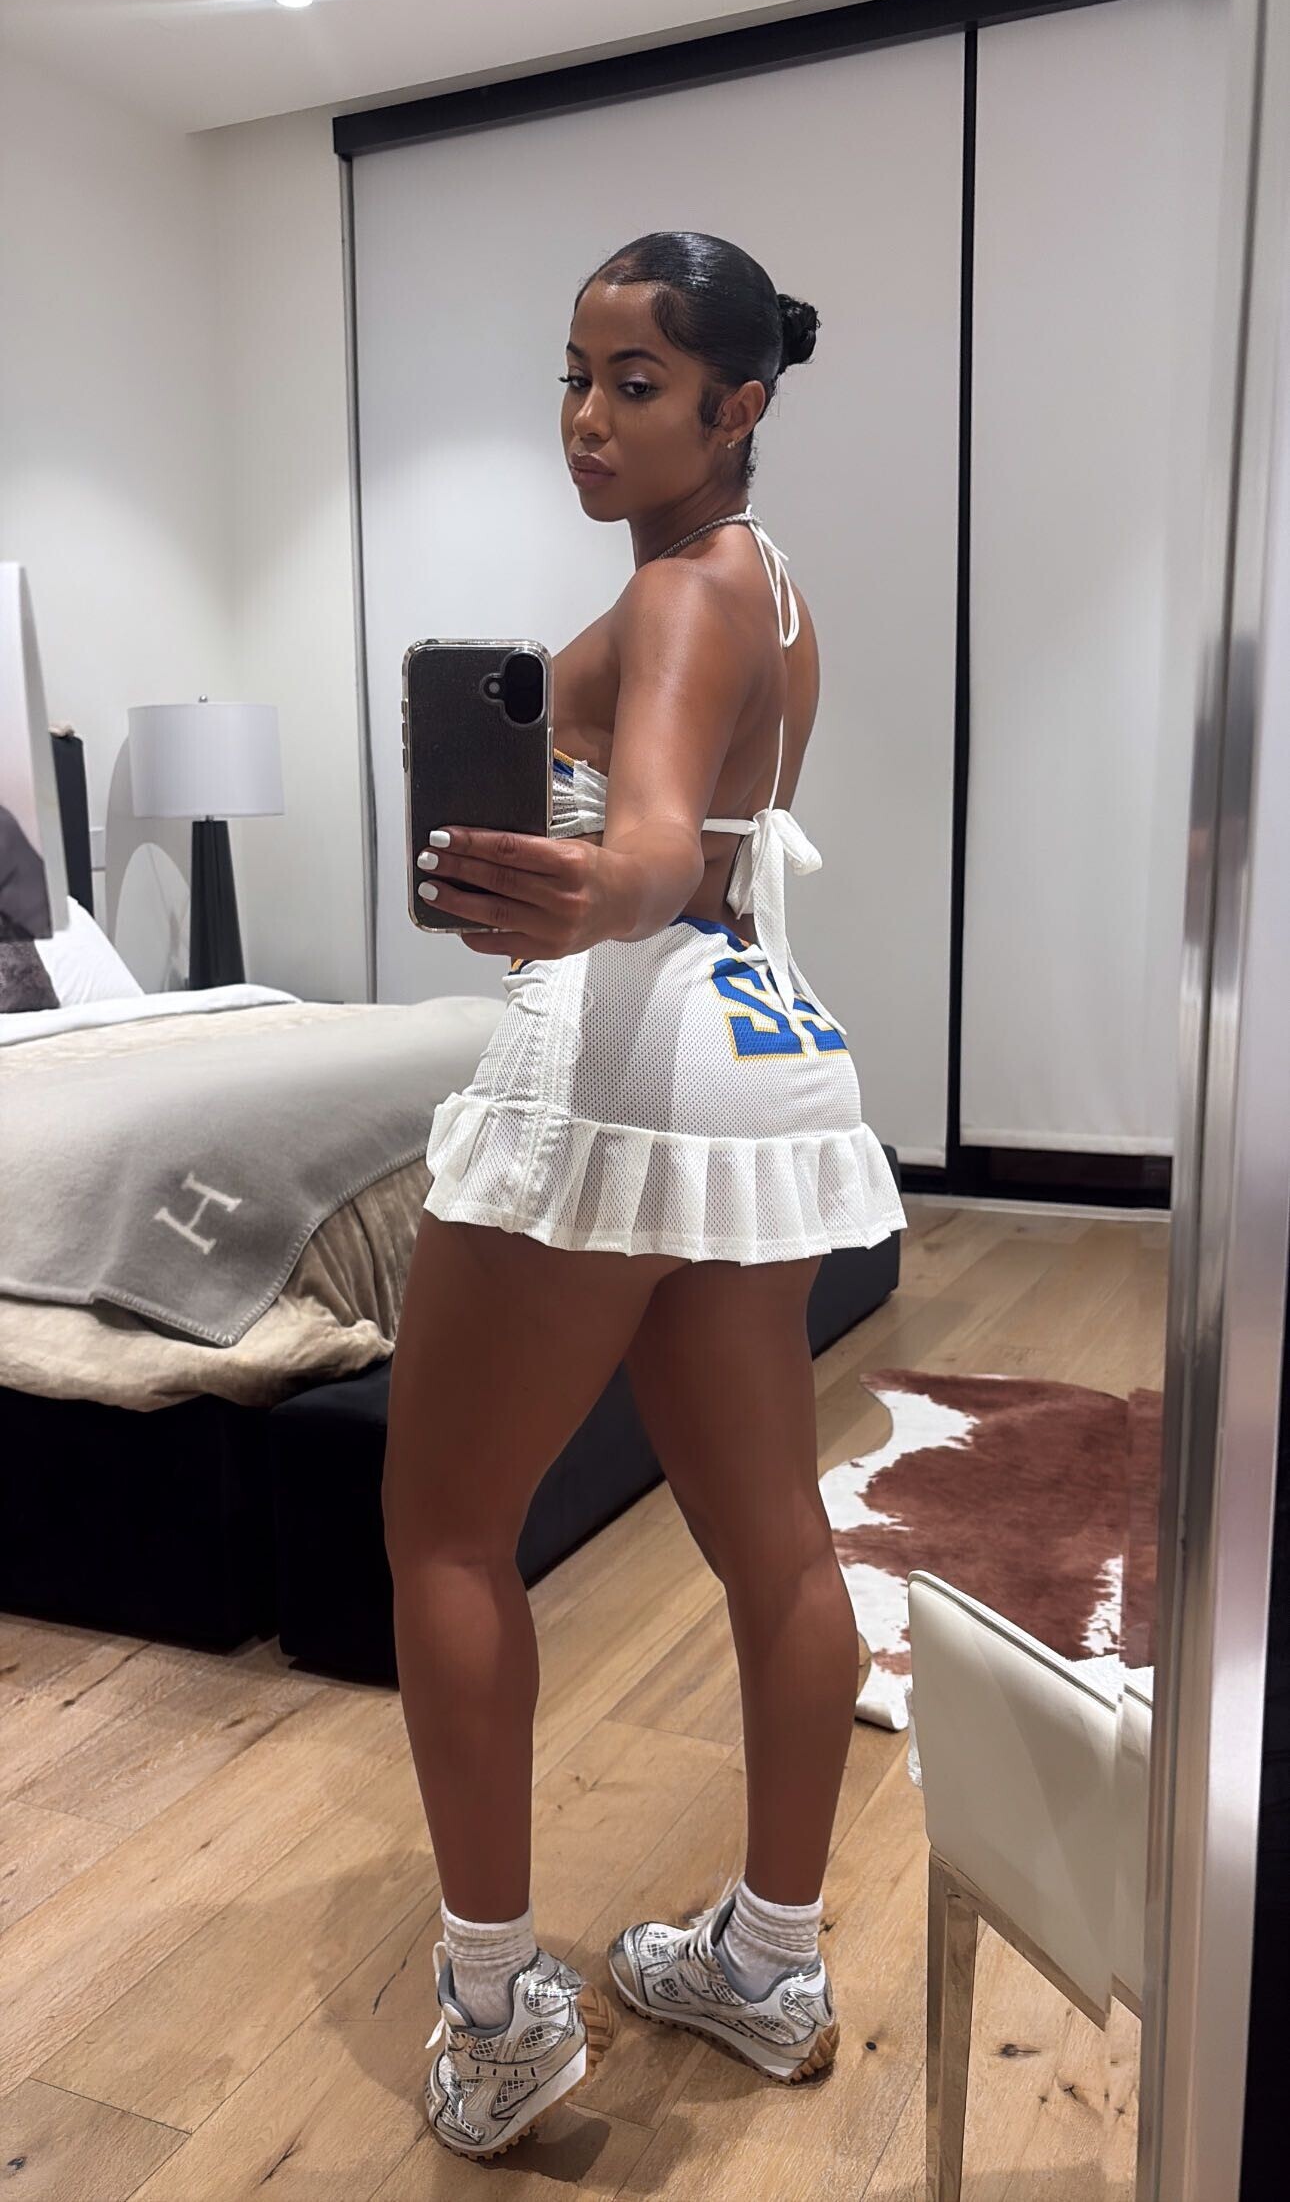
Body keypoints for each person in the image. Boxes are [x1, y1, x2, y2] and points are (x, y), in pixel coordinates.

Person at [383, 230, 908, 2161]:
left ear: (737, 403)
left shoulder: (684, 592)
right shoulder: (764, 580)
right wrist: (581, 865)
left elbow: (666, 840)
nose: (586, 420)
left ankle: (494, 2022)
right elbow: (696, 840)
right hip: (754, 1046)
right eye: (574, 375)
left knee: (446, 1532)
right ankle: (767, 1958)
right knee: (774, 1538)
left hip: (626, 1038)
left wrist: (586, 884)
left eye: (635, 384)